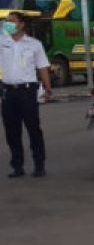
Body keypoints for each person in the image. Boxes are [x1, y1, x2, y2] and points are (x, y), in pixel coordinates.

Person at [0, 11, 51, 178]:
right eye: (6, 21)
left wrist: (48, 88)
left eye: (11, 21)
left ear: (21, 24)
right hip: (8, 92)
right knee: (12, 132)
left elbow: (42, 67)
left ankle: (39, 165)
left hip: (27, 92)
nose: (7, 24)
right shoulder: (2, 41)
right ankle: (17, 166)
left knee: (33, 129)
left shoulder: (34, 44)